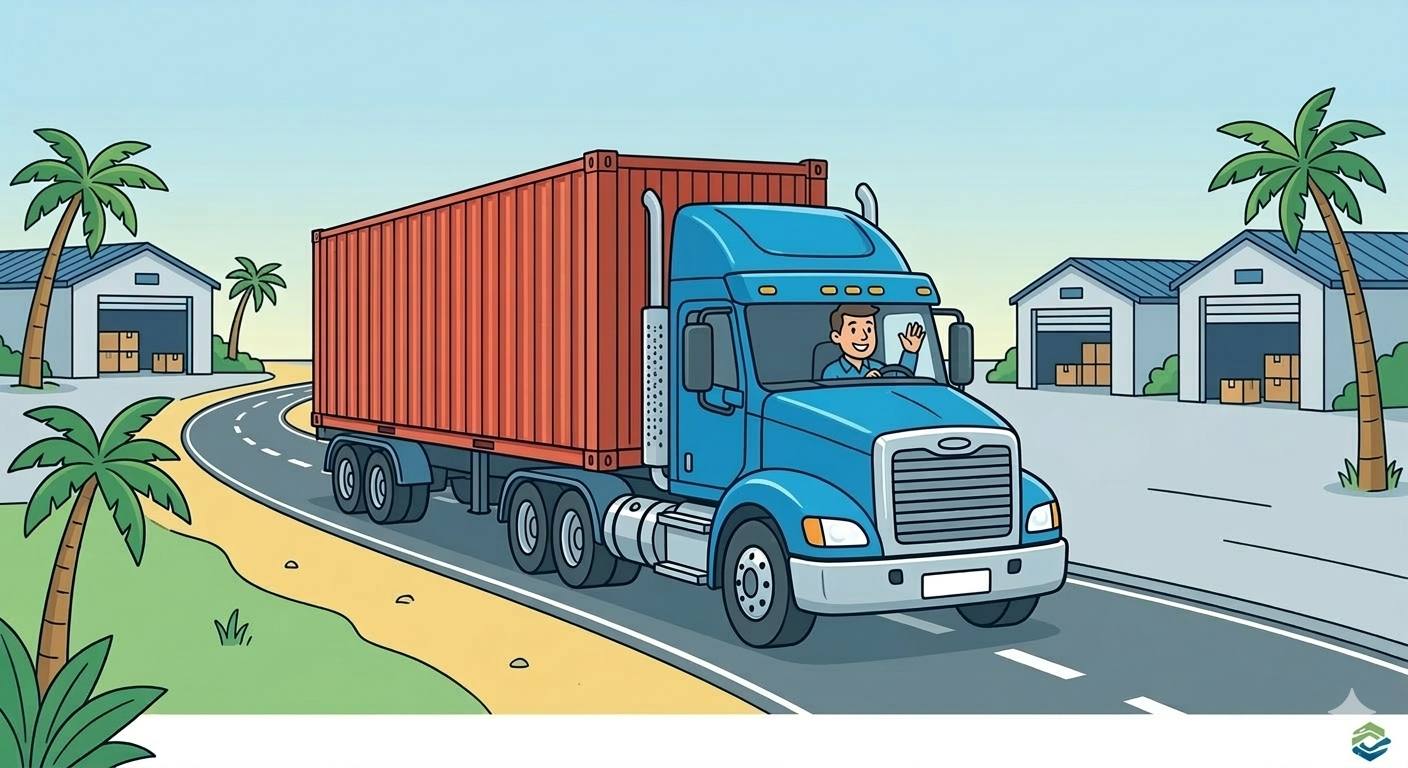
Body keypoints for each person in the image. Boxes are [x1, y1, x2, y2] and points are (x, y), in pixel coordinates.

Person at [820, 304, 925, 379]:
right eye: (853, 330)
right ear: (836, 336)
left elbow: (901, 383)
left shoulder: (879, 368)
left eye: (869, 330)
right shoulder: (832, 372)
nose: (864, 336)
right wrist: (864, 383)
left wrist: (910, 352)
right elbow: (834, 399)